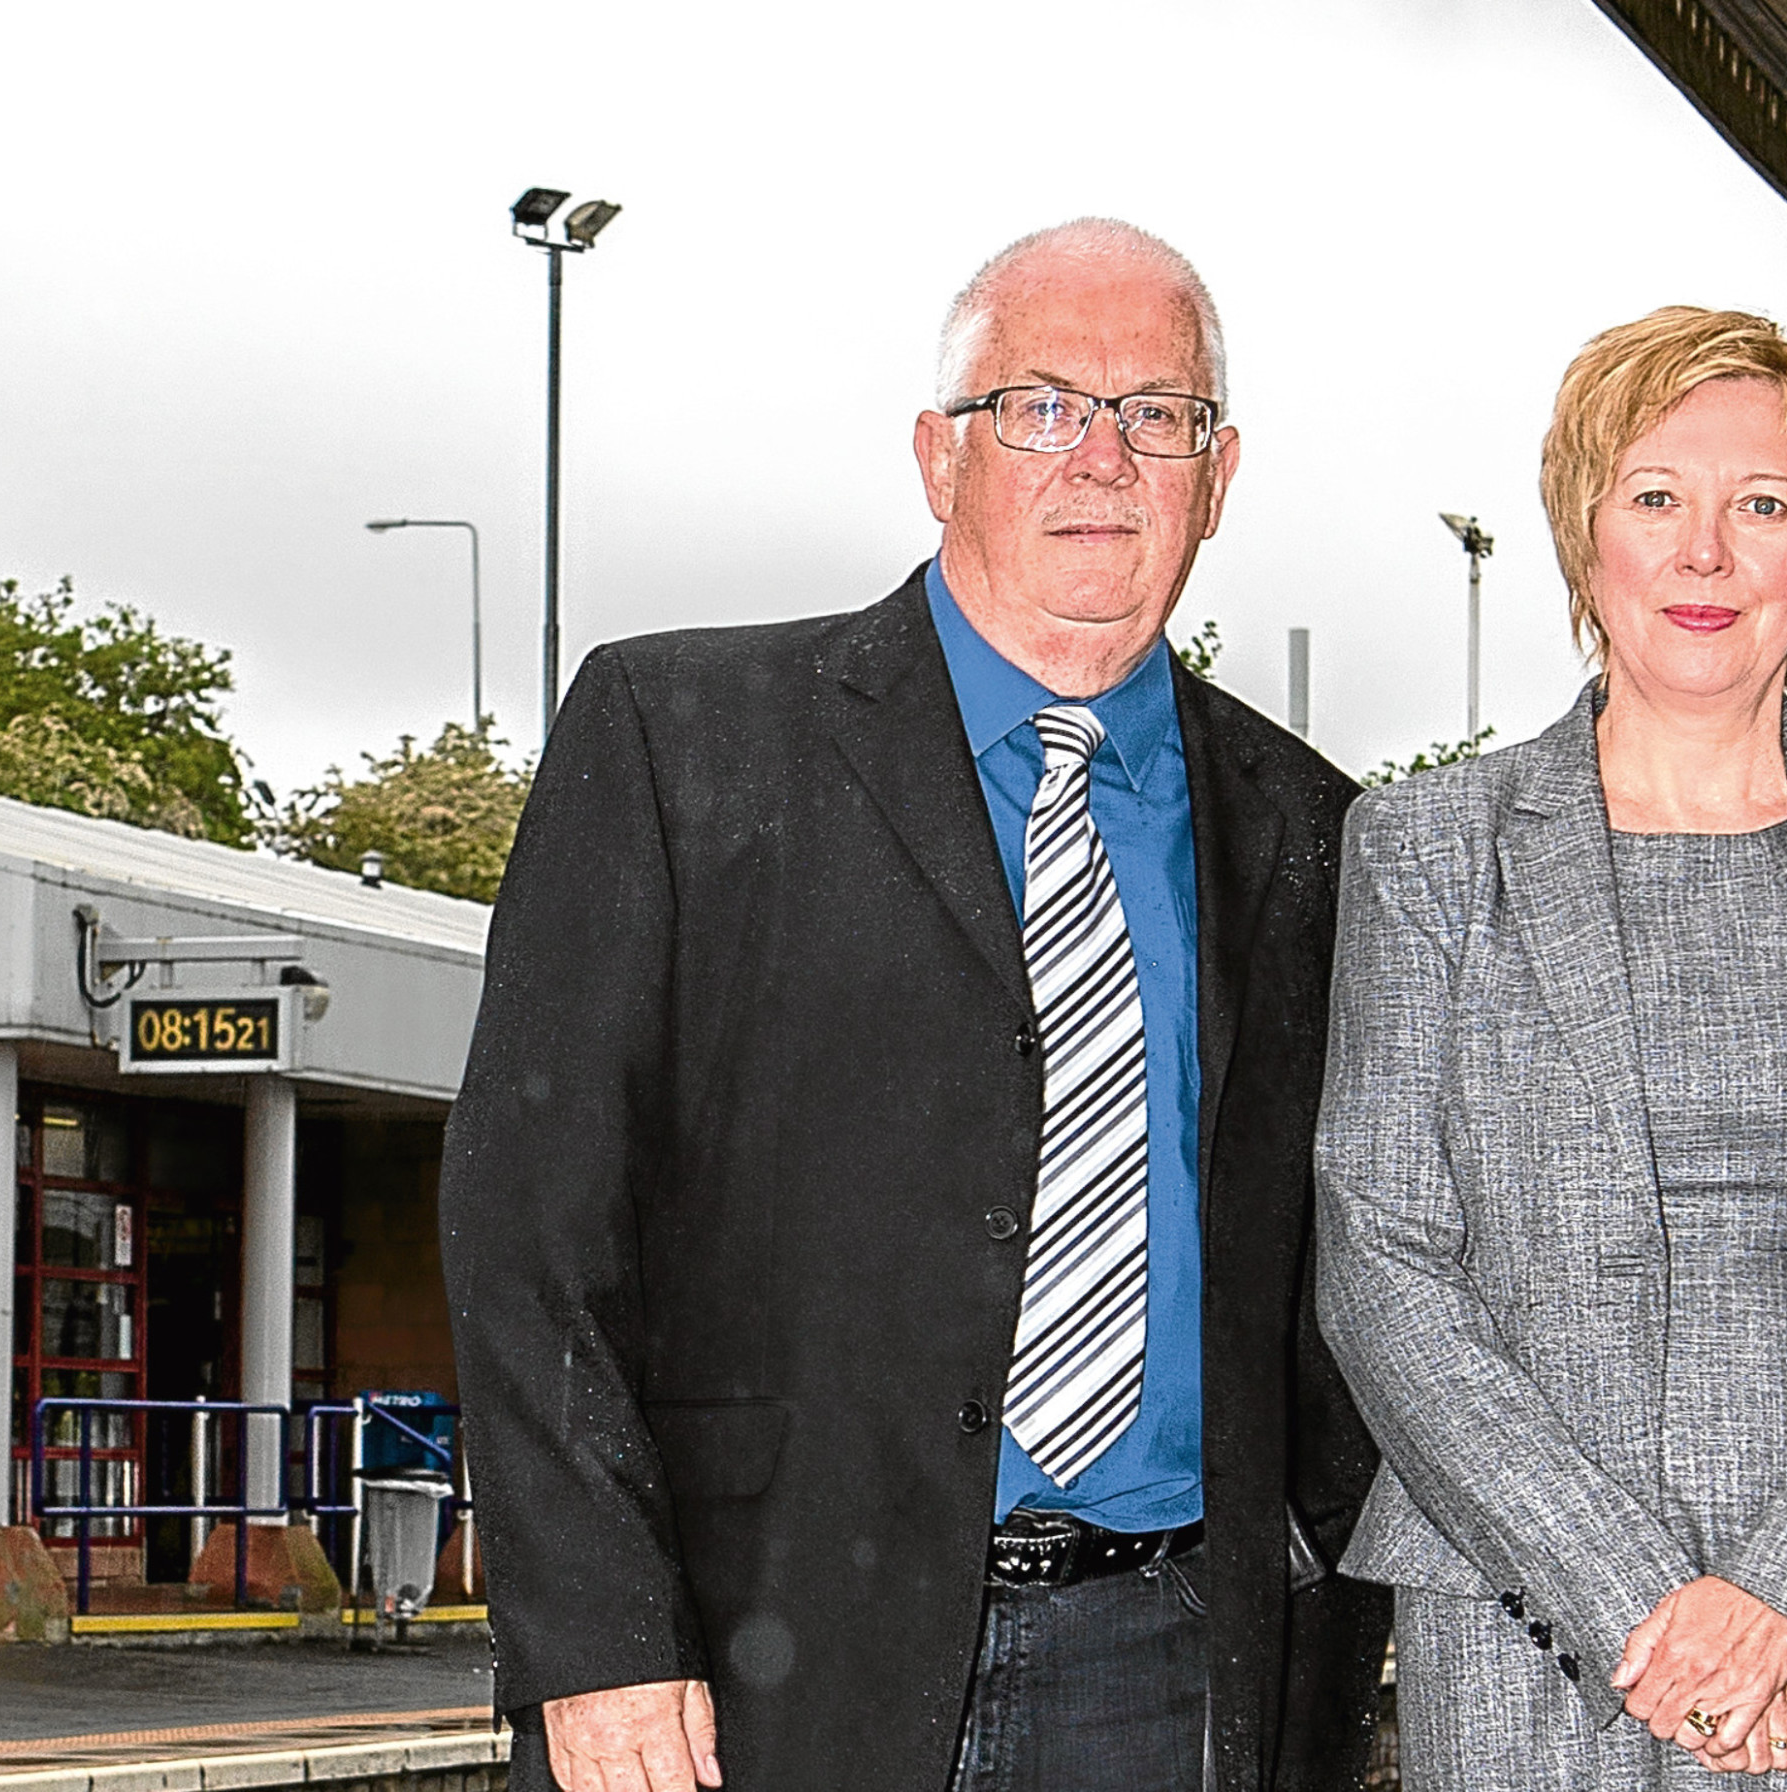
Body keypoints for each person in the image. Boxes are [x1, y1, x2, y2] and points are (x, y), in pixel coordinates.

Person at [442, 218, 1389, 1792]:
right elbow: (528, 1232)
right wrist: (599, 1637)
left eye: (1159, 414)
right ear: (940, 459)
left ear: (1217, 478)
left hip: (1169, 1678)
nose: (1103, 458)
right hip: (756, 1667)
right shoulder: (680, 743)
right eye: (1040, 406)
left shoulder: (1317, 837)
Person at [1312, 307, 1787, 1786]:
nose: (1704, 552)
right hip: (1537, 1634)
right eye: (1656, 497)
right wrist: (1645, 1612)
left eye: (1764, 505)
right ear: (1584, 531)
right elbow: (1380, 1262)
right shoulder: (1421, 852)